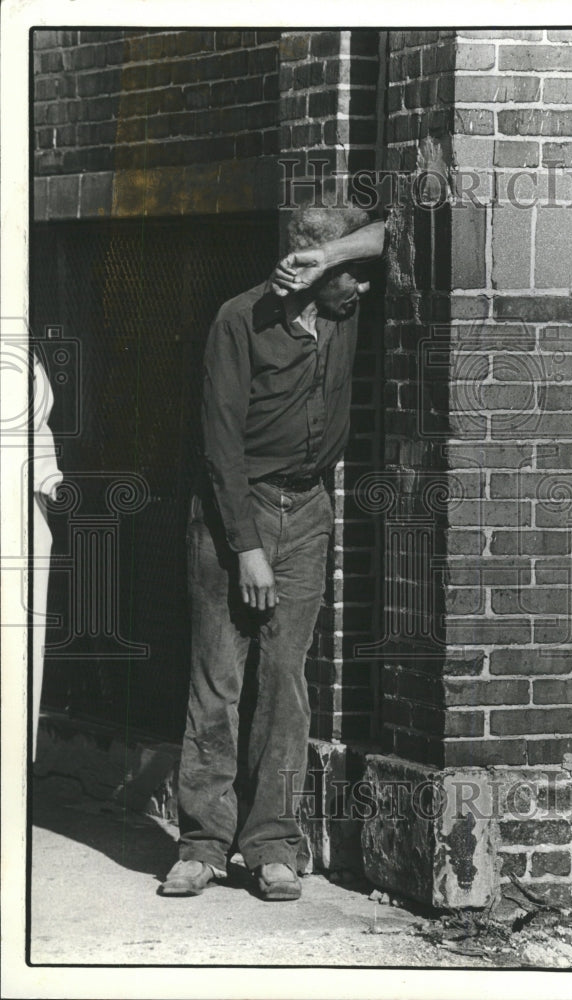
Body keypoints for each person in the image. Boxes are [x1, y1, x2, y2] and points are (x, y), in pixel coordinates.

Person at [160, 206, 385, 901]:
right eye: (351, 277)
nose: (363, 288)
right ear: (309, 271)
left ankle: (271, 845)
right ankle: (201, 844)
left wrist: (337, 256)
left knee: (285, 683)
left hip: (309, 508)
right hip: (237, 513)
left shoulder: (341, 313)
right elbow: (219, 446)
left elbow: (394, 231)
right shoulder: (239, 320)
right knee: (219, 682)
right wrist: (247, 550)